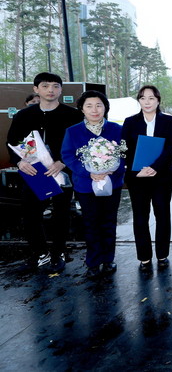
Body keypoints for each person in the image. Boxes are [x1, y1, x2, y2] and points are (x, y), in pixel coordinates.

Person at [7, 72, 83, 271]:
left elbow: (80, 144)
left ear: (61, 90)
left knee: (61, 214)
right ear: (36, 89)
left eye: (56, 86)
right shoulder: (24, 116)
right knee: (31, 214)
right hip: (33, 172)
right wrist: (19, 162)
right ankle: (40, 253)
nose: (51, 90)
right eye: (45, 86)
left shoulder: (73, 115)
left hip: (61, 172)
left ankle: (59, 253)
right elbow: (12, 142)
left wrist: (62, 162)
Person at [61, 90, 125, 278]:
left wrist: (112, 169)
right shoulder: (73, 131)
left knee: (109, 222)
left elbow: (124, 154)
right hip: (85, 185)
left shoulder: (117, 129)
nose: (94, 110)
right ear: (82, 109)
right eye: (89, 106)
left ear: (105, 107)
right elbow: (67, 156)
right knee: (91, 223)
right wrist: (88, 172)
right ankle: (93, 261)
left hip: (112, 183)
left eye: (99, 105)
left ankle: (108, 259)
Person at [121, 85, 172, 271]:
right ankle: (144, 257)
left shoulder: (168, 121)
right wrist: (136, 171)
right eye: (143, 98)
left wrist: (154, 167)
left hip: (162, 176)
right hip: (137, 176)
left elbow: (170, 147)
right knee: (140, 216)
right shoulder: (130, 122)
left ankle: (162, 255)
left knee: (162, 215)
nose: (147, 102)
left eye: (151, 98)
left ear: (158, 100)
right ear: (139, 100)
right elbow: (124, 148)